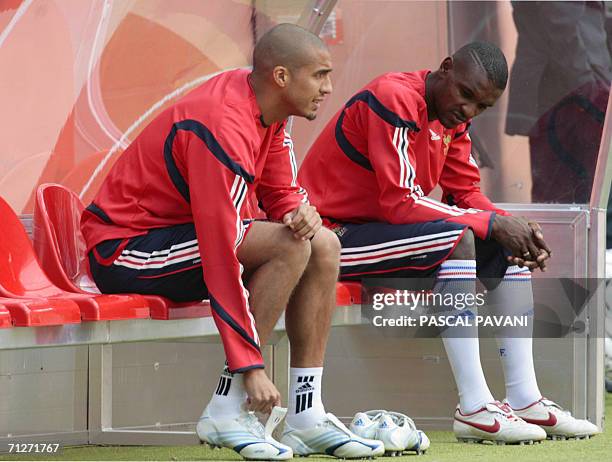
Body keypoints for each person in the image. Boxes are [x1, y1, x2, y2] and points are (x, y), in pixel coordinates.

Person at [80, 23, 384, 460]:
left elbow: (280, 191)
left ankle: (306, 412)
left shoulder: (270, 113)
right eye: (319, 75)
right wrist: (250, 366)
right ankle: (225, 407)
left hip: (178, 241)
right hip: (126, 251)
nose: (329, 88)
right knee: (289, 245)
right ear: (282, 77)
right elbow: (219, 254)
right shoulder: (221, 125)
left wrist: (299, 210)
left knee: (322, 243)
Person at [299, 41, 600, 444]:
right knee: (463, 239)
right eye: (466, 95)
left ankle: (525, 397)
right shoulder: (395, 97)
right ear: (445, 68)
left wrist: (515, 228)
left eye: (482, 107)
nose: (469, 111)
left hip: (381, 236)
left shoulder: (453, 118)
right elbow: (401, 204)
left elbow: (466, 194)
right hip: (329, 238)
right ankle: (474, 407)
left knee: (501, 242)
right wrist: (492, 224)